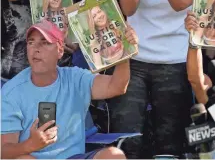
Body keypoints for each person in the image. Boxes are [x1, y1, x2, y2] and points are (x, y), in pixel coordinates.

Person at [110, 0, 211, 158]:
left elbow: (180, 1)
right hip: (134, 58)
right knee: (126, 139)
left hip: (175, 62)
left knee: (170, 142)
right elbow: (128, 7)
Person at [1, 20, 138, 159]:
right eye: (31, 42)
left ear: (60, 50)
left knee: (114, 155)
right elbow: (3, 151)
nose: (36, 48)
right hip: (32, 157)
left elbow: (116, 86)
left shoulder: (74, 78)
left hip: (73, 157)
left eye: (45, 42)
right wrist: (30, 145)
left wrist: (123, 51)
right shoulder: (12, 91)